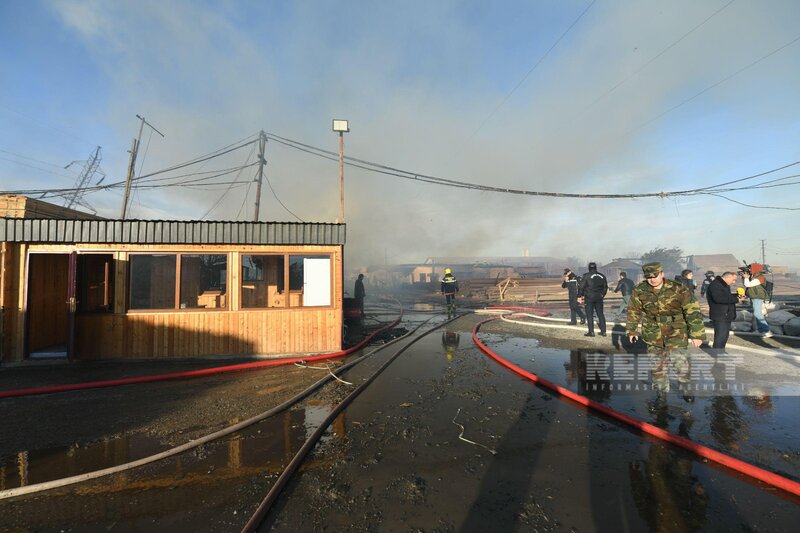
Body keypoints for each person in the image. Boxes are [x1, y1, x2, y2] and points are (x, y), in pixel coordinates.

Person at [627, 262, 706, 352]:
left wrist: (697, 334)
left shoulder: (678, 288)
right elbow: (633, 310)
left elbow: (692, 311)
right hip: (653, 334)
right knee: (657, 365)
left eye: (655, 276)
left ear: (662, 274)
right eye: (649, 277)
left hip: (676, 333)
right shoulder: (640, 289)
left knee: (680, 365)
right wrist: (631, 330)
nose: (653, 280)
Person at [706, 272, 745, 353]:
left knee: (724, 336)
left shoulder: (723, 285)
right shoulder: (715, 285)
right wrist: (737, 300)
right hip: (720, 315)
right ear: (727, 277)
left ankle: (721, 351)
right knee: (720, 336)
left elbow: (726, 296)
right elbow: (719, 299)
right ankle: (717, 353)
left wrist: (736, 296)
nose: (734, 282)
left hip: (726, 314)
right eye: (733, 280)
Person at [741, 263, 772, 338]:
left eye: (750, 269)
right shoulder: (754, 276)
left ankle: (766, 330)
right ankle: (762, 330)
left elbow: (748, 284)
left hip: (758, 297)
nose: (749, 270)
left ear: (755, 269)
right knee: (756, 313)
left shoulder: (760, 277)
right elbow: (749, 287)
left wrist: (745, 277)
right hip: (754, 297)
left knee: (757, 314)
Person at [577, 262, 608, 337]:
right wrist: (602, 295)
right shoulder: (602, 276)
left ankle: (591, 332)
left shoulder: (586, 276)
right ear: (596, 267)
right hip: (599, 297)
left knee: (589, 315)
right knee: (600, 314)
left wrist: (579, 296)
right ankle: (603, 332)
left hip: (589, 297)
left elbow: (581, 287)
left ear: (589, 268)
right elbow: (605, 287)